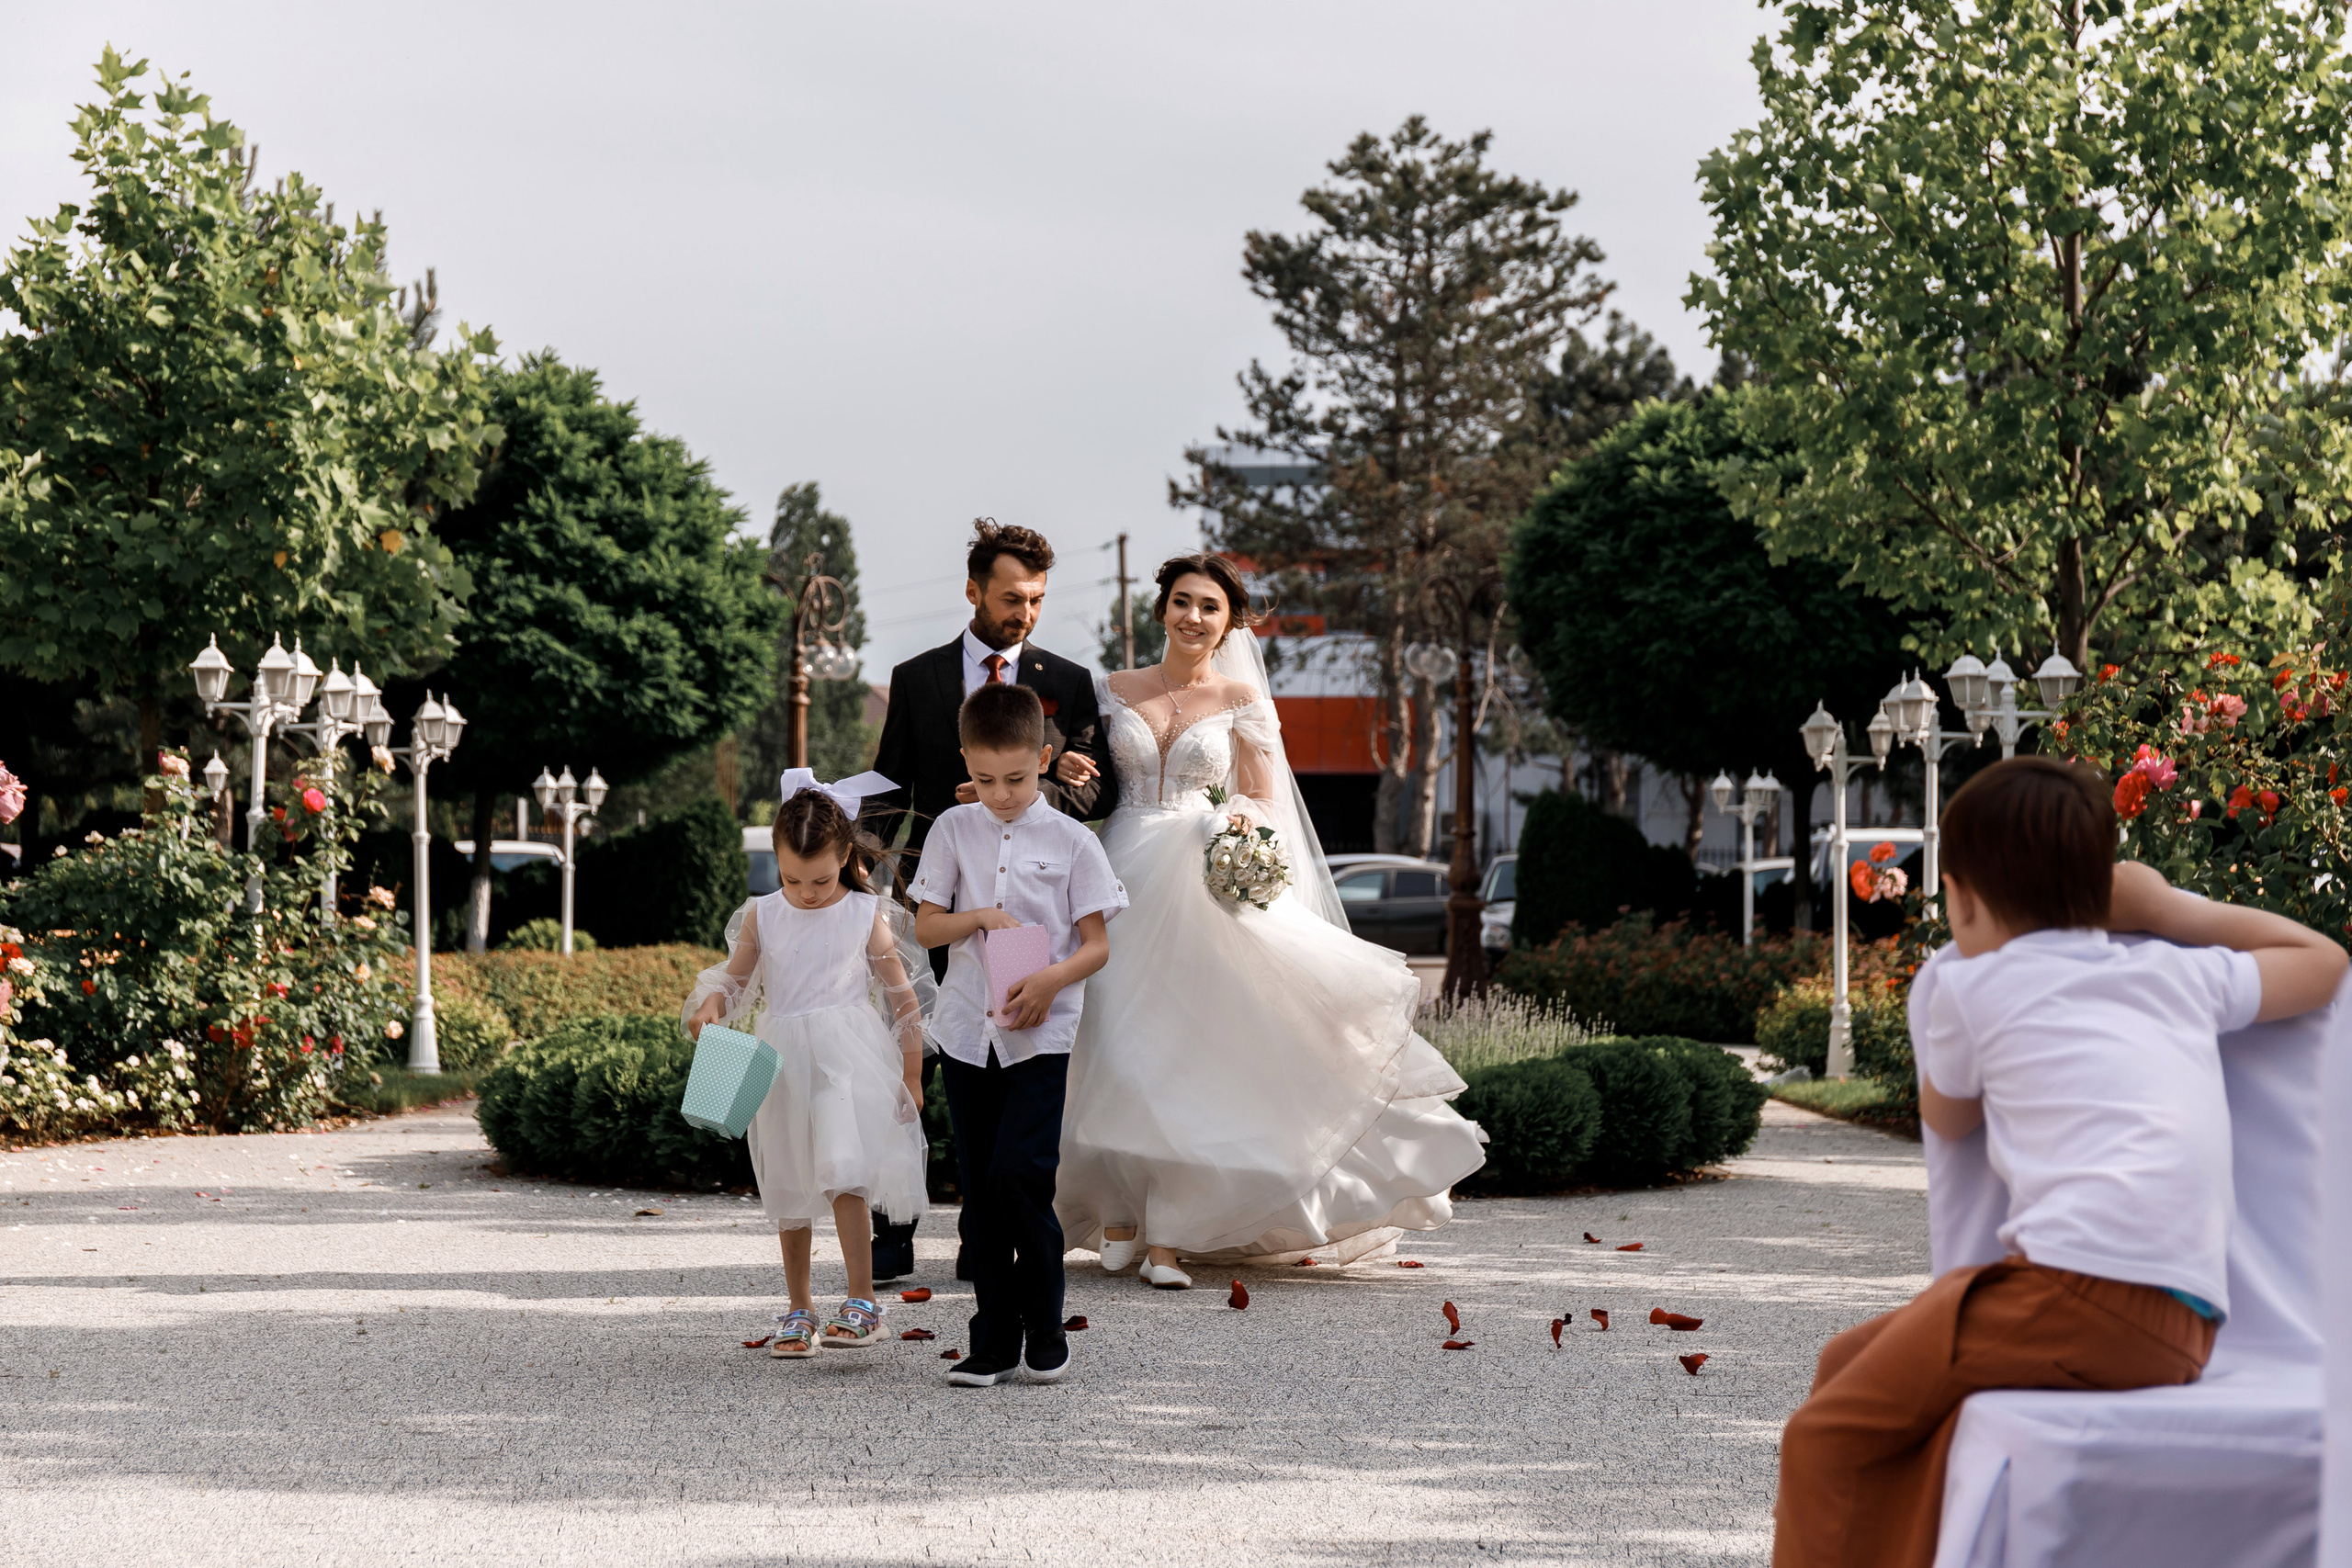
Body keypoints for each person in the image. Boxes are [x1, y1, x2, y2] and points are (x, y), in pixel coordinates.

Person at [1771, 754, 2348, 1568]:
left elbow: (1947, 1114)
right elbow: (2324, 963)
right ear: (2104, 888)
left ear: (1962, 895)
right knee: (1845, 1364)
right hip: (2189, 1322)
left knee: (1822, 1439)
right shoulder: (2173, 973)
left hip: (2080, 1296)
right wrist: (2167, 907)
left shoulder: (1970, 986)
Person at [1056, 553, 1487, 1291]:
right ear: (1161, 608)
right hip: (1118, 873)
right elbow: (1088, 778)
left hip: (1195, 881)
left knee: (1180, 1052)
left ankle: (1171, 1230)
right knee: (1111, 1046)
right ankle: (1117, 1212)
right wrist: (1064, 763)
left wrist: (1232, 835)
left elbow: (1264, 798)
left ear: (1230, 624)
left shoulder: (1239, 696)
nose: (1194, 617)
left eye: (1210, 608)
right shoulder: (1109, 689)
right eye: (1183, 602)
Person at [857, 518, 1117, 1283]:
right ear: (973, 591)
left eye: (1037, 599)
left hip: (1027, 918)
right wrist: (851, 881)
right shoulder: (919, 677)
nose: (1026, 612)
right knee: (914, 1060)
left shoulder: (1067, 681)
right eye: (1011, 597)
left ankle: (987, 1239)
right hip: (937, 904)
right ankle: (894, 1229)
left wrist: (1031, 796)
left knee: (1006, 1058)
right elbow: (889, 791)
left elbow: (1104, 789)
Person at [907, 682, 1125, 1386]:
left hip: (1041, 1035)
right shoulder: (951, 829)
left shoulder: (1072, 841)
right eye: (985, 777)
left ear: (1046, 756)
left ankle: (1046, 1323)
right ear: (966, 758)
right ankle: (992, 1339)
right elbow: (926, 924)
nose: (1001, 793)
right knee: (980, 1190)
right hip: (969, 1031)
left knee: (1021, 1178)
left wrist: (1051, 979)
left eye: (1018, 777)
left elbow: (1096, 944)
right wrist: (980, 918)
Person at [682, 773, 933, 1359]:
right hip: (784, 1059)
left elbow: (903, 1000)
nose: (808, 892)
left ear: (844, 856)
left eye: (820, 879)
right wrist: (712, 1005)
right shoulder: (762, 914)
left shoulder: (864, 913)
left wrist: (914, 1074)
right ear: (777, 860)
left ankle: (863, 1300)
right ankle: (799, 1306)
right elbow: (734, 979)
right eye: (792, 878)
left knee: (843, 1167)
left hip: (847, 1055)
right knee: (791, 1178)